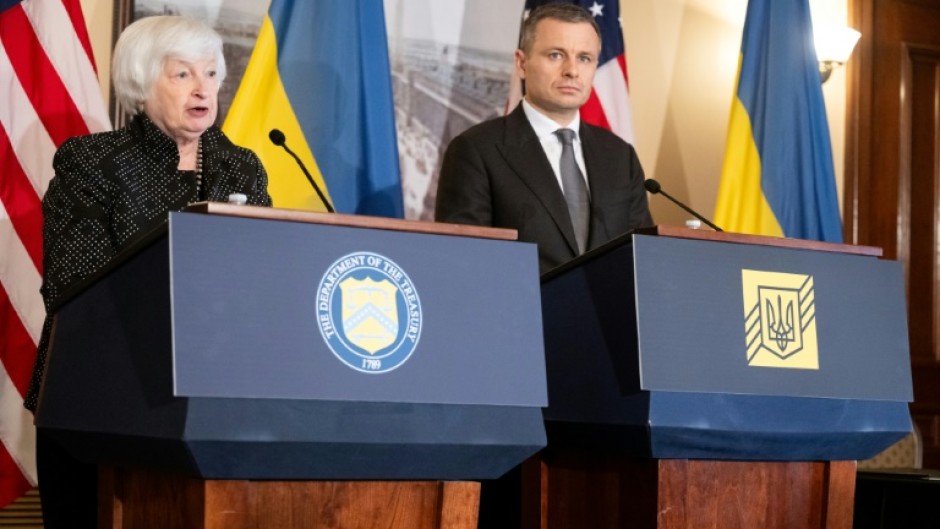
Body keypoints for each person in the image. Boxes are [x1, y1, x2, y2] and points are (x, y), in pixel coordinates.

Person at [25, 15, 272, 528]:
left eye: (210, 73)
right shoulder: (93, 161)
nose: (202, 87)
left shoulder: (241, 166)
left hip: (212, 402)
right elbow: (74, 282)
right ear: (141, 82)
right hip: (97, 399)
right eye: (182, 74)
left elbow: (263, 279)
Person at [436, 3, 653, 275]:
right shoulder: (476, 150)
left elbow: (643, 258)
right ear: (522, 63)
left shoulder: (621, 157)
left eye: (584, 58)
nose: (572, 70)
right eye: (555, 55)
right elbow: (464, 263)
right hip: (520, 315)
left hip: (607, 316)